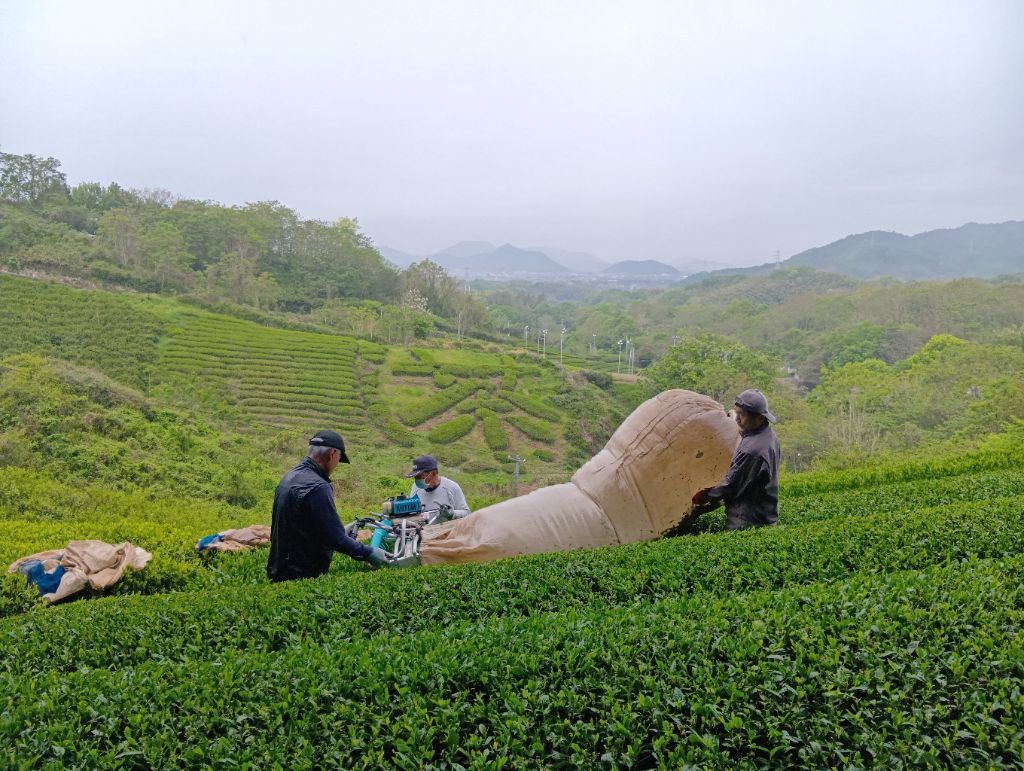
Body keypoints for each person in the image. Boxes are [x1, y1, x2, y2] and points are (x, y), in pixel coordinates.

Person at [267, 430, 389, 581]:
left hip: (279, 569)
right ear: (332, 454)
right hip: (302, 575)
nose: (337, 465)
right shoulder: (318, 486)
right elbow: (335, 539)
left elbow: (299, 525)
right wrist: (368, 553)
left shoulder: (290, 477)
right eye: (338, 459)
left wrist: (339, 529)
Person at [692, 389, 780, 530]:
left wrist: (705, 496)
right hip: (764, 512)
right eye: (736, 413)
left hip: (747, 519)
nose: (738, 418)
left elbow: (730, 485)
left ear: (759, 418)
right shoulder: (768, 434)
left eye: (742, 415)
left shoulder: (753, 451)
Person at [404, 454, 471, 523]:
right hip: (424, 532)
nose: (418, 480)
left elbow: (467, 513)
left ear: (433, 473)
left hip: (447, 532)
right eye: (416, 477)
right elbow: (412, 512)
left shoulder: (451, 487)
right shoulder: (416, 487)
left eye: (421, 476)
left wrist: (452, 514)